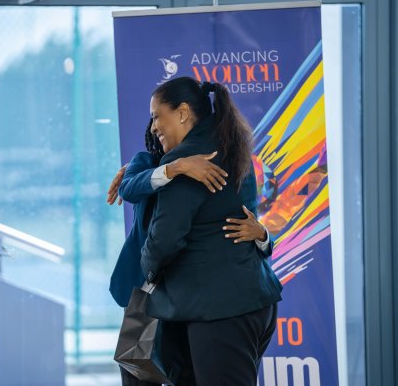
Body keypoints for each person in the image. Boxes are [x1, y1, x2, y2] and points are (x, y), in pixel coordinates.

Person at [141, 76, 283, 386]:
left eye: (156, 116)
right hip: (251, 301)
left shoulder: (188, 159)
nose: (153, 127)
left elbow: (164, 239)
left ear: (182, 113)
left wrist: (146, 270)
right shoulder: (229, 144)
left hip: (218, 310)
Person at [108, 119, 271, 386]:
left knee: (187, 373)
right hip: (145, 291)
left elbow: (233, 227)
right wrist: (176, 168)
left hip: (186, 295)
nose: (159, 132)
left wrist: (263, 235)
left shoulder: (212, 171)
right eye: (157, 127)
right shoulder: (145, 163)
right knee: (134, 372)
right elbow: (130, 189)